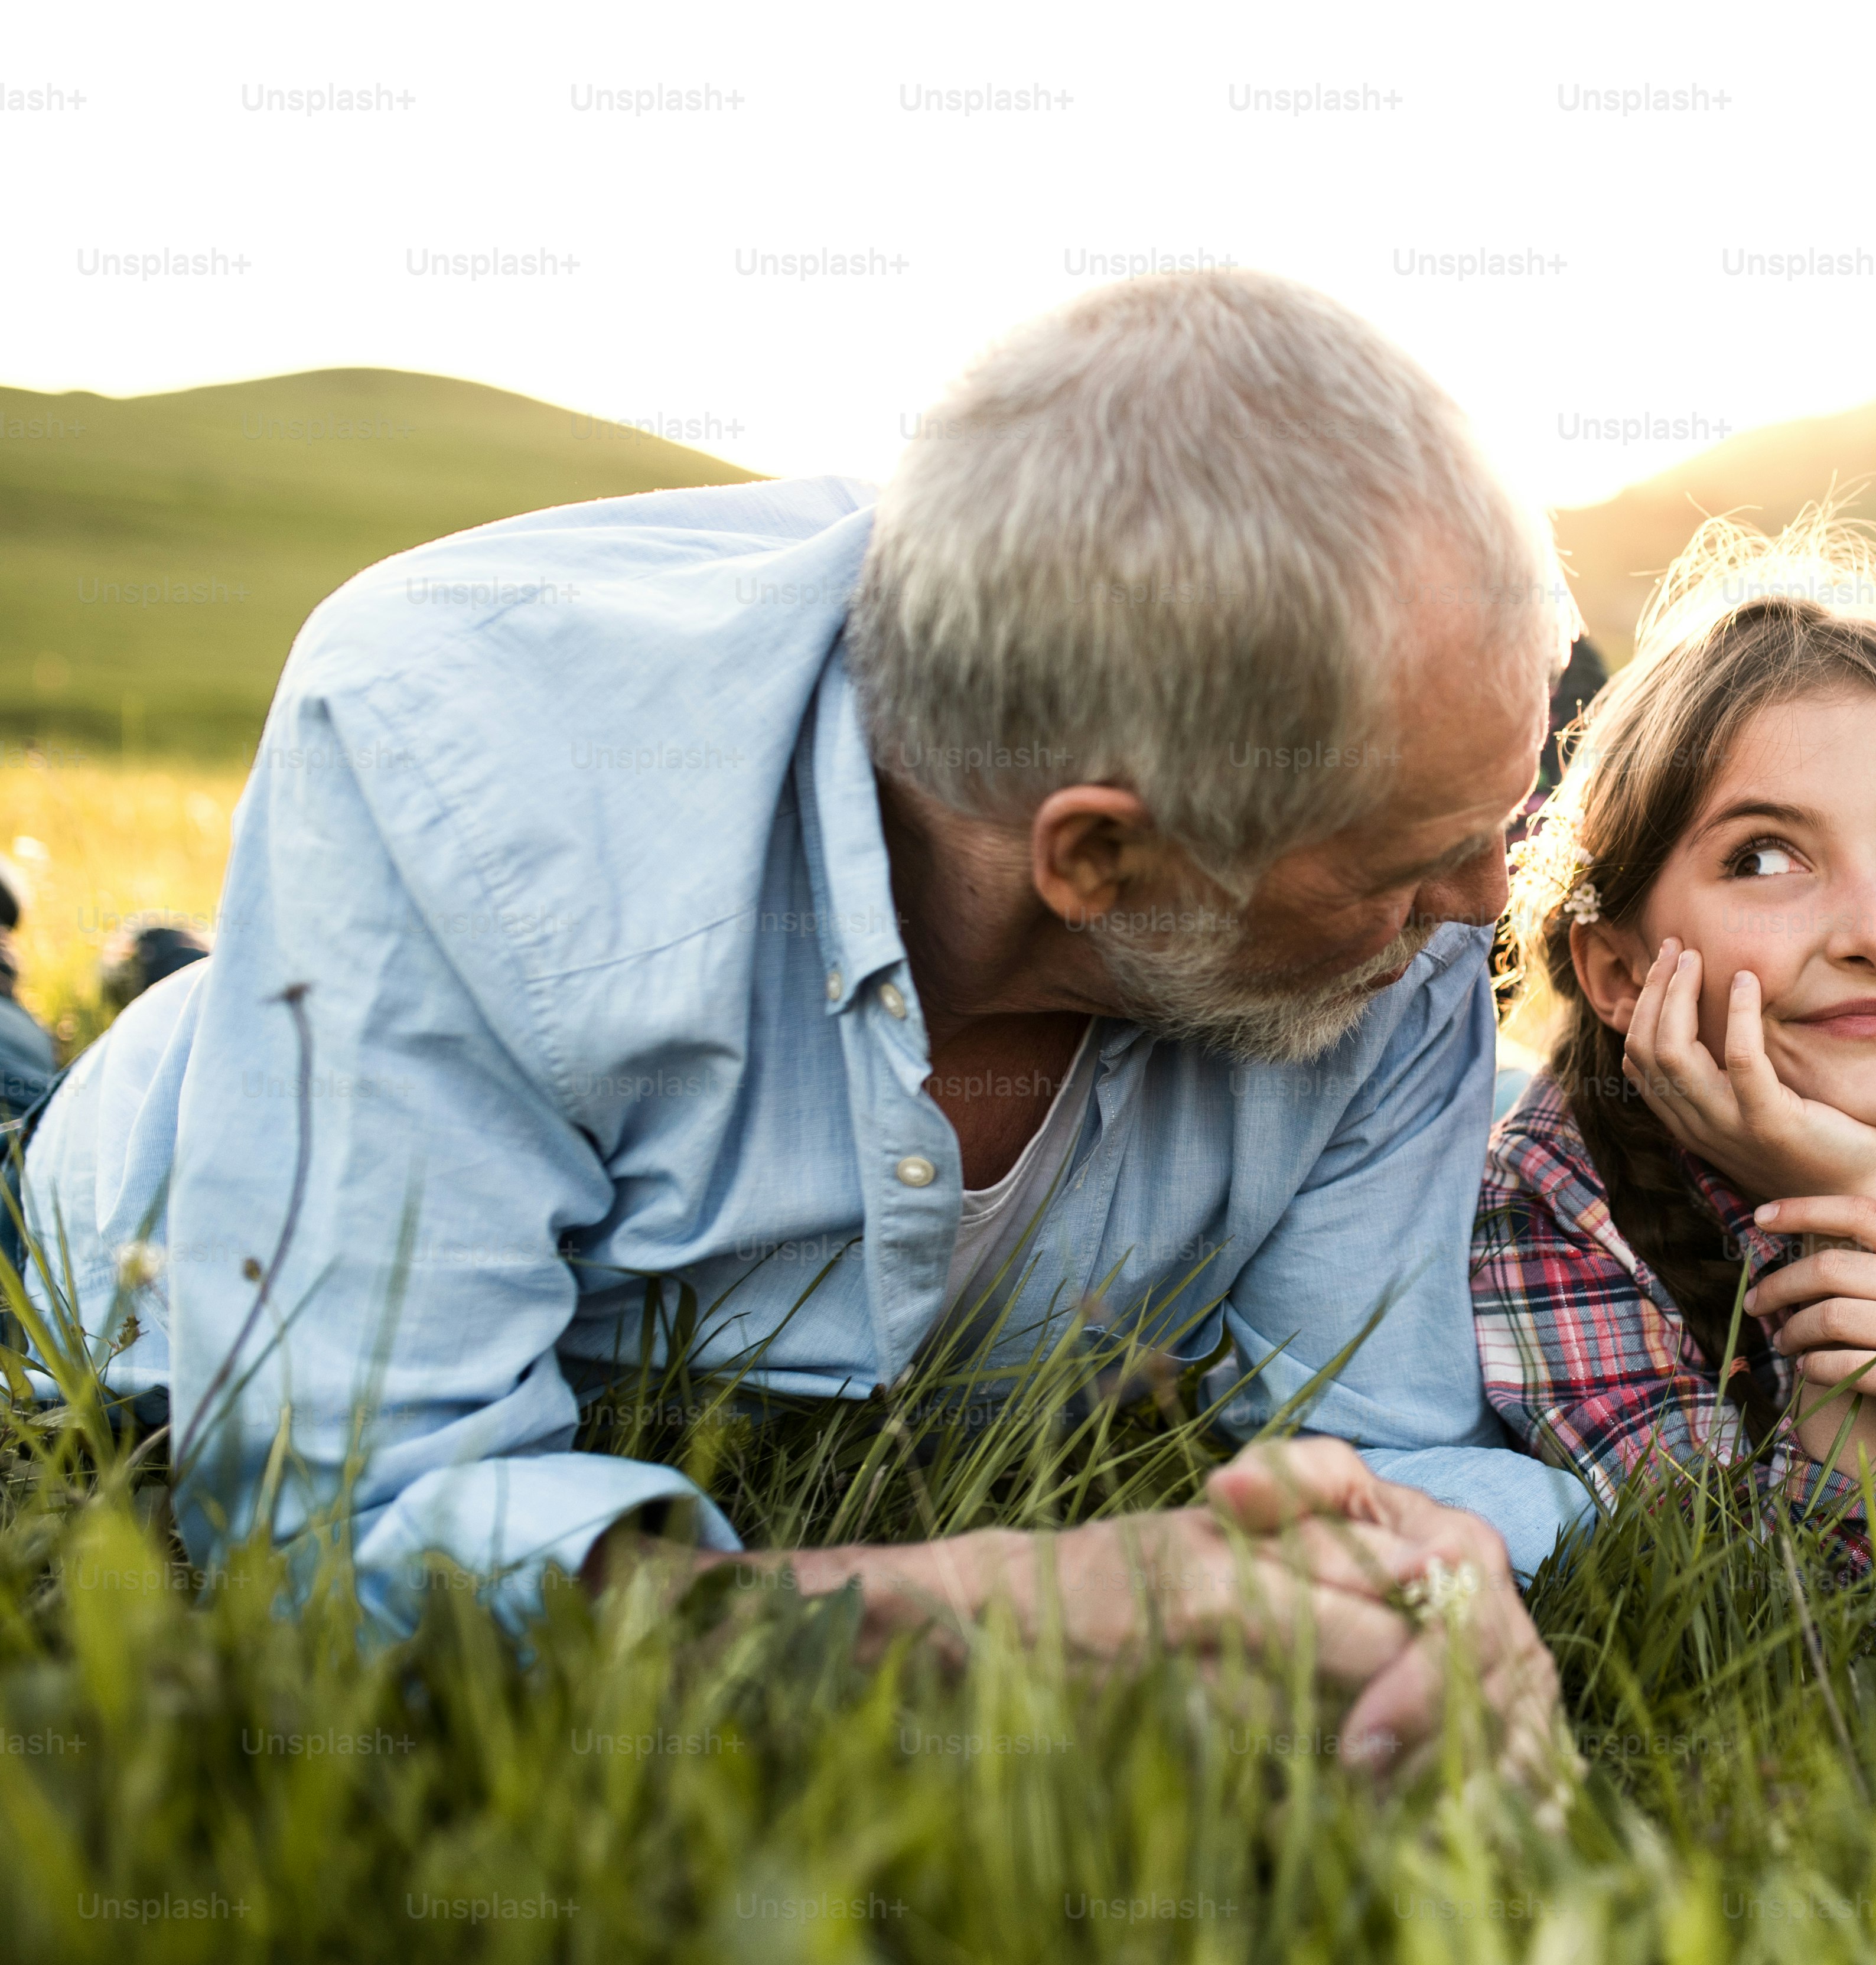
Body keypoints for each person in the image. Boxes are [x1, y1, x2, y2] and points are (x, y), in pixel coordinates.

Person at [14, 272, 1586, 1777]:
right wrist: (1000, 1619)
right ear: (1096, 857)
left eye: (1501, 821)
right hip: (138, 1210)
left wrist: (1430, 1587)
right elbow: (326, 1558)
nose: (1481, 905)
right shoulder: (461, 759)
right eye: (1411, 862)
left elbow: (1388, 1452)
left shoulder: (1402, 907)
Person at [1476, 510, 1876, 1576]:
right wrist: (1858, 1218)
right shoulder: (1557, 1206)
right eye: (1767, 859)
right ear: (1620, 974)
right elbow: (1791, 1659)